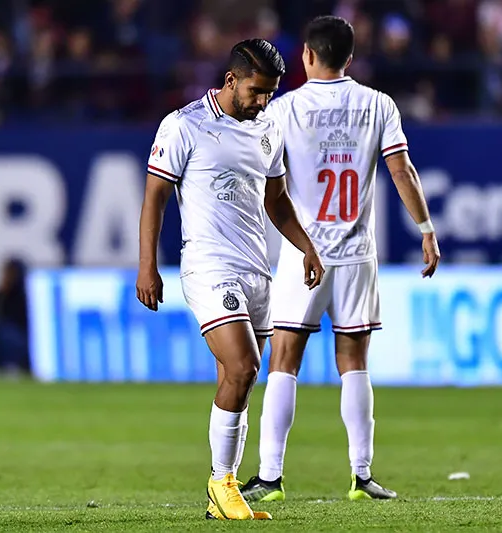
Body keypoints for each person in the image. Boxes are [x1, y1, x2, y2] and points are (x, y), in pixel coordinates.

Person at [240, 16, 440, 503]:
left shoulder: (284, 109)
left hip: (302, 253)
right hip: (356, 254)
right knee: (353, 361)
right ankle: (361, 474)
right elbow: (402, 170)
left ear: (307, 56)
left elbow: (261, 177)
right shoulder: (378, 105)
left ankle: (270, 476)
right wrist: (426, 230)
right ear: (350, 58)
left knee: (284, 359)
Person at [135, 38, 324, 521]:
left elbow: (276, 201)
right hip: (207, 266)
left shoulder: (268, 129)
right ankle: (223, 482)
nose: (263, 101)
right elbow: (155, 196)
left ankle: (223, 495)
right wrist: (147, 265)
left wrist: (306, 246)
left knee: (237, 378)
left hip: (256, 269)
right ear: (230, 81)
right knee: (243, 366)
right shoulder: (183, 126)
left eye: (270, 93)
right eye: (256, 91)